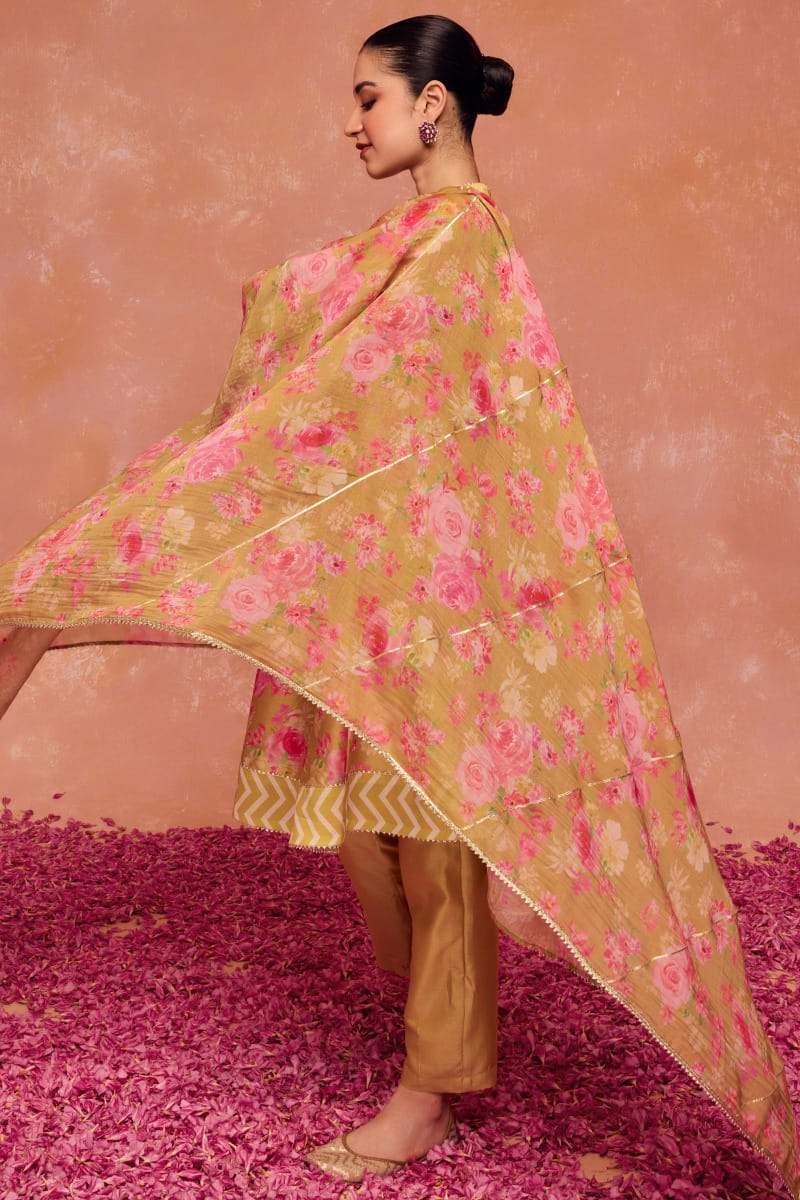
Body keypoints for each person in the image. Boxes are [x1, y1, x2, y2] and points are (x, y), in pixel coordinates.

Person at [0, 14, 798, 1195]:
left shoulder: (461, 243)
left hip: (450, 603)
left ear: (432, 106)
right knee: (385, 841)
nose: (349, 122)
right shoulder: (417, 241)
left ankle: (431, 1091)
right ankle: (439, 1052)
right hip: (395, 594)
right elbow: (344, 381)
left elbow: (432, 414)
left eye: (367, 97)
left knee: (433, 851)